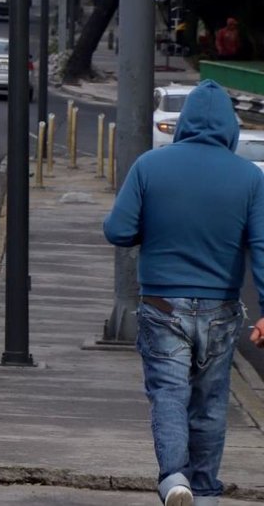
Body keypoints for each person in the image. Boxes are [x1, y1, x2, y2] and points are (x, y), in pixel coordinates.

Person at [103, 80, 264, 506]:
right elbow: (262, 245)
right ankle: (207, 492)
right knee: (211, 403)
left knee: (169, 394)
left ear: (185, 122)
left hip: (161, 304)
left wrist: (153, 226)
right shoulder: (250, 177)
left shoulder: (150, 166)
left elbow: (118, 231)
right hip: (221, 308)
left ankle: (174, 477)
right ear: (231, 126)